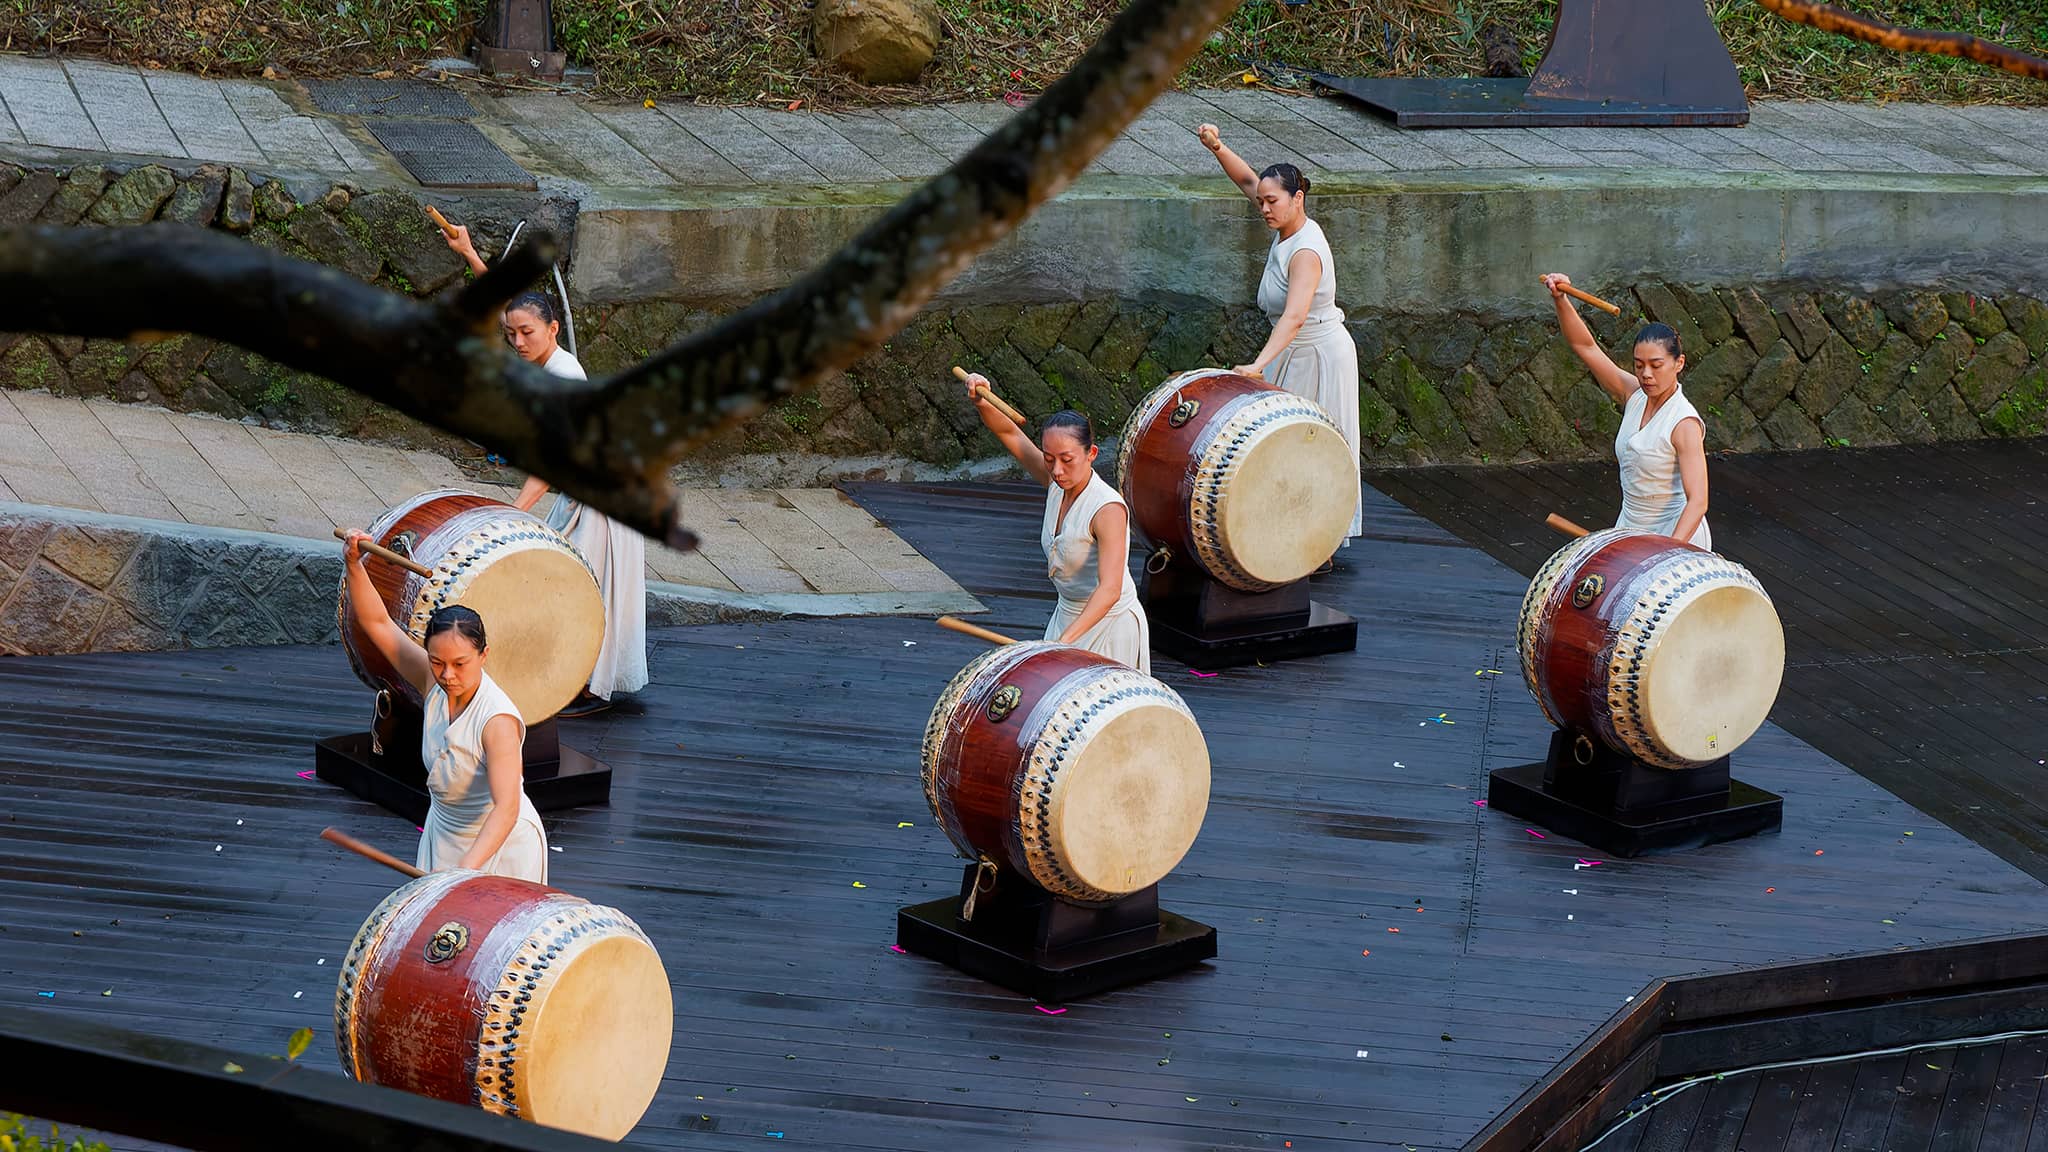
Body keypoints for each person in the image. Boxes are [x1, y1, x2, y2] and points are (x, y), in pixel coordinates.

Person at [447, 217, 649, 717]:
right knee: (568, 581)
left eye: (527, 333)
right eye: (513, 333)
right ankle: (571, 679)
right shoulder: (537, 360)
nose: (516, 342)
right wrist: (471, 255)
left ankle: (582, 685)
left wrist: (515, 513)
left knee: (575, 586)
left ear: (553, 330)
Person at [341, 532, 548, 882]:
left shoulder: (496, 720)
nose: (447, 675)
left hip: (500, 847)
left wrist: (465, 871)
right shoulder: (429, 679)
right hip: (443, 833)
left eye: (460, 664)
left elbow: (507, 807)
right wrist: (353, 566)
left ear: (484, 655)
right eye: (438, 662)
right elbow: (377, 624)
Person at [1196, 124, 1363, 551]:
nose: (1264, 208)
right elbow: (1248, 180)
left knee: (1311, 450)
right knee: (1278, 446)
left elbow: (1294, 315)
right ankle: (1285, 532)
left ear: (1298, 199)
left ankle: (1317, 542)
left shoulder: (1306, 249)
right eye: (1262, 202)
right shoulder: (1283, 225)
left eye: (1273, 202)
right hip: (1291, 349)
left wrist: (1257, 364)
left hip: (1318, 353)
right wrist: (1218, 146)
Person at [962, 372, 1150, 674]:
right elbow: (1010, 434)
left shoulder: (1107, 508)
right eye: (1049, 459)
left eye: (1067, 459)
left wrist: (1064, 642)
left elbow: (1111, 588)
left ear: (1091, 454)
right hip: (1067, 615)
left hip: (1108, 622)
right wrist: (982, 399)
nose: (1057, 470)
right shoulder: (1055, 482)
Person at [1540, 274, 1710, 548]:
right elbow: (1585, 347)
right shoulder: (1633, 394)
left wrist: (1668, 551)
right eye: (1639, 365)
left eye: (1656, 365)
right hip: (1630, 527)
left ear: (1679, 363)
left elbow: (1698, 501)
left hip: (1676, 535)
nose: (1646, 374)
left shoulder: (1683, 423)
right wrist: (1560, 299)